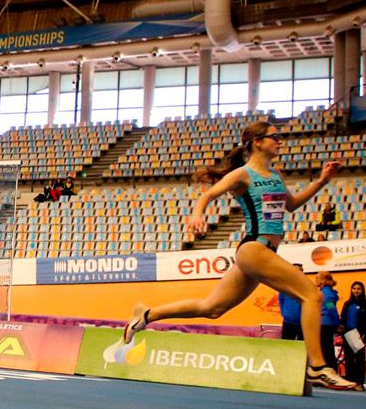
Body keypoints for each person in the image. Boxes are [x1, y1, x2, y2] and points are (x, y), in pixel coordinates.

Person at [120, 120, 360, 390]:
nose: (279, 141)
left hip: (264, 251)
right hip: (253, 248)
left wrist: (322, 181)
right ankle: (317, 366)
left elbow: (291, 205)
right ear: (257, 142)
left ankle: (146, 315)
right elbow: (208, 194)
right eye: (274, 137)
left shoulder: (276, 176)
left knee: (211, 308)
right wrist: (198, 214)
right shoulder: (243, 175)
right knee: (312, 295)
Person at [316, 272, 341, 376]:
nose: (315, 279)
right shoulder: (325, 292)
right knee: (326, 349)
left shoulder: (326, 293)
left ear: (323, 280)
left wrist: (337, 323)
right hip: (324, 323)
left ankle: (331, 372)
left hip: (325, 324)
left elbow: (331, 308)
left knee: (326, 350)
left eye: (317, 278)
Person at [341, 281, 366, 385]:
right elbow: (343, 318)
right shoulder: (347, 304)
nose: (356, 290)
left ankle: (359, 382)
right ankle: (349, 381)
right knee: (349, 358)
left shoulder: (365, 304)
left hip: (359, 335)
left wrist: (364, 334)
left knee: (359, 359)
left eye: (358, 289)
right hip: (348, 334)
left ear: (362, 290)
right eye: (354, 288)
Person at [277, 264, 308, 341]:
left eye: (301, 270)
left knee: (302, 347)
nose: (300, 272)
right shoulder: (285, 286)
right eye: (298, 270)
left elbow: (329, 306)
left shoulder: (307, 286)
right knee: (287, 345)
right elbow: (281, 300)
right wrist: (285, 314)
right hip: (289, 322)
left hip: (303, 323)